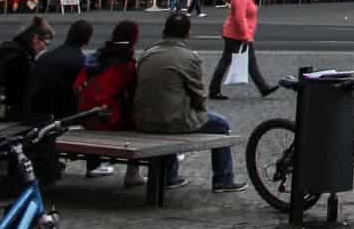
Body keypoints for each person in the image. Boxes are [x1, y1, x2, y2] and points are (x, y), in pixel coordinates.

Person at [135, 12, 244, 192]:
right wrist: (199, 110)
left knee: (167, 108)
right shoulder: (189, 57)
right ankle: (223, 178)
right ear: (187, 33)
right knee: (221, 125)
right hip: (171, 120)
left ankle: (169, 174)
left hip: (144, 118)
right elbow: (198, 94)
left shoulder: (147, 54)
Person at [26, 19, 112, 180]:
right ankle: (94, 165)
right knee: (92, 114)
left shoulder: (46, 57)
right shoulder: (80, 61)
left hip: (38, 111)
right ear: (87, 40)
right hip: (64, 115)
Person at [77, 21, 144, 187]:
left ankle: (93, 165)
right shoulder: (125, 62)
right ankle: (133, 173)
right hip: (105, 118)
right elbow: (132, 94)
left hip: (84, 113)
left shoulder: (99, 54)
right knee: (139, 123)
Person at [0, 16, 52, 120]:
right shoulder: (21, 59)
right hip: (0, 110)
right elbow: (22, 93)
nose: (46, 48)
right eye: (46, 43)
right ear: (36, 39)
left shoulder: (8, 51)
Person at [209, 0, 274, 98]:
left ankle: (263, 88)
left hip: (237, 34)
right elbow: (240, 18)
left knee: (246, 62)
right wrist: (247, 36)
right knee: (228, 62)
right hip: (236, 35)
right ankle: (214, 90)